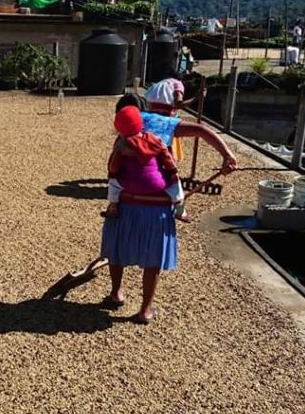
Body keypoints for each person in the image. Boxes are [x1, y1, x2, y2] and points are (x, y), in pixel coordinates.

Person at [101, 98, 238, 324]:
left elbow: (113, 170)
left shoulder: (122, 132)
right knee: (153, 256)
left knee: (117, 248)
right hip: (157, 205)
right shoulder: (163, 123)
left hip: (126, 202)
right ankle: (145, 309)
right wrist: (227, 155)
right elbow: (201, 130)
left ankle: (116, 293)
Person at [102, 106, 187, 221]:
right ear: (141, 123)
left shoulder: (121, 145)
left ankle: (113, 206)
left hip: (129, 184)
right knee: (174, 185)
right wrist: (172, 172)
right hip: (155, 183)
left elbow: (114, 167)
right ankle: (180, 209)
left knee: (113, 183)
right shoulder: (154, 140)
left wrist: (112, 174)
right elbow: (166, 157)